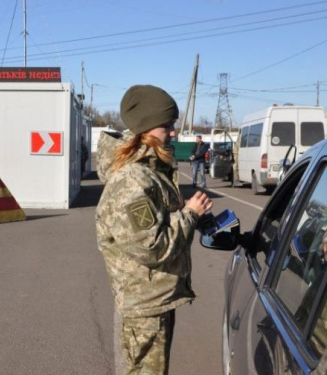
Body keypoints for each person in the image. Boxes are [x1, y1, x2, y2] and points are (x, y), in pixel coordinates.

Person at [95, 85, 213, 374]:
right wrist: (189, 215)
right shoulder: (133, 181)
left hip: (153, 298)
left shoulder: (148, 171)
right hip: (145, 306)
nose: (173, 132)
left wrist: (182, 213)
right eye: (167, 126)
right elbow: (152, 246)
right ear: (146, 128)